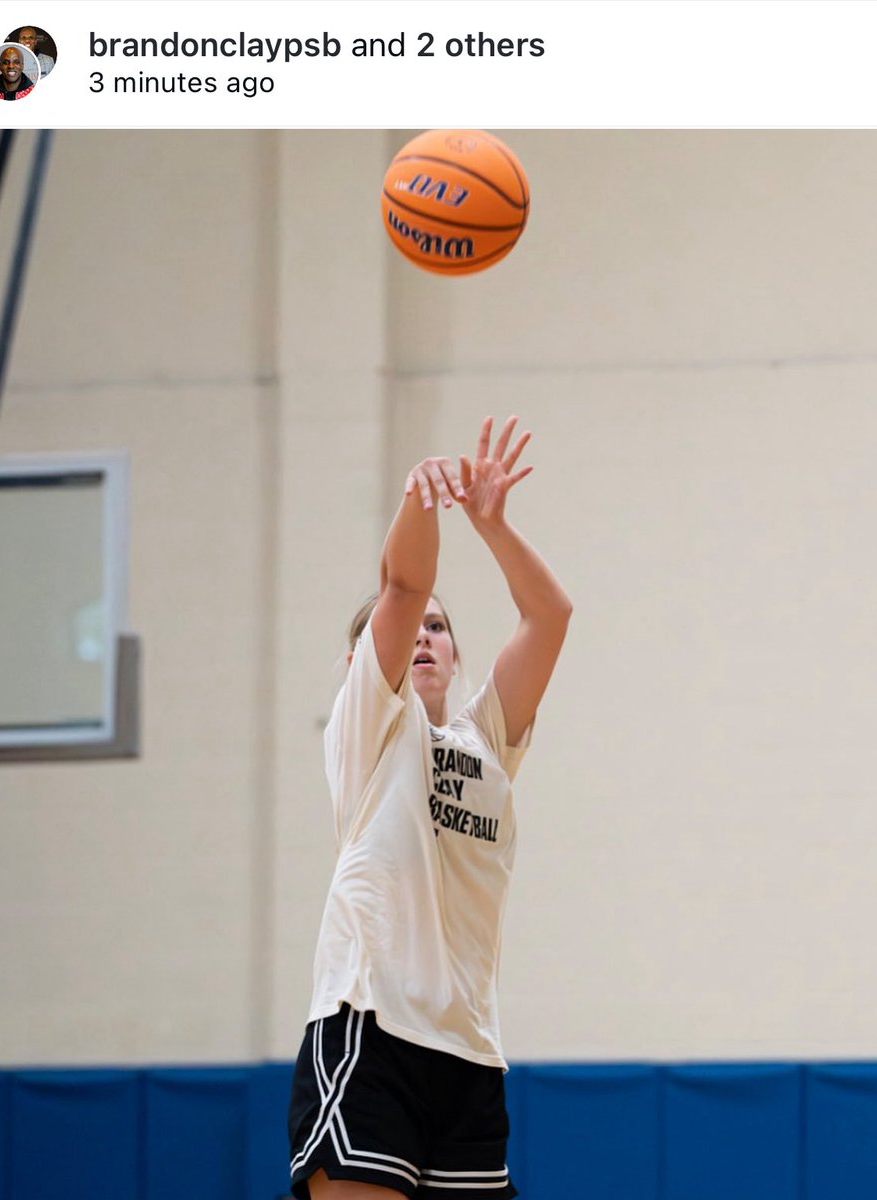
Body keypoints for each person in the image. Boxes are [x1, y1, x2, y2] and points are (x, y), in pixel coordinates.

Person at [288, 416, 572, 1200]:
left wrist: (493, 525)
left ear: (454, 653)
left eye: (440, 628)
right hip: (372, 1031)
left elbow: (549, 617)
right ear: (360, 665)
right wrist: (424, 491)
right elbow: (404, 586)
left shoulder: (488, 740)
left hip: (469, 1054)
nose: (424, 634)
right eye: (412, 628)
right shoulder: (374, 726)